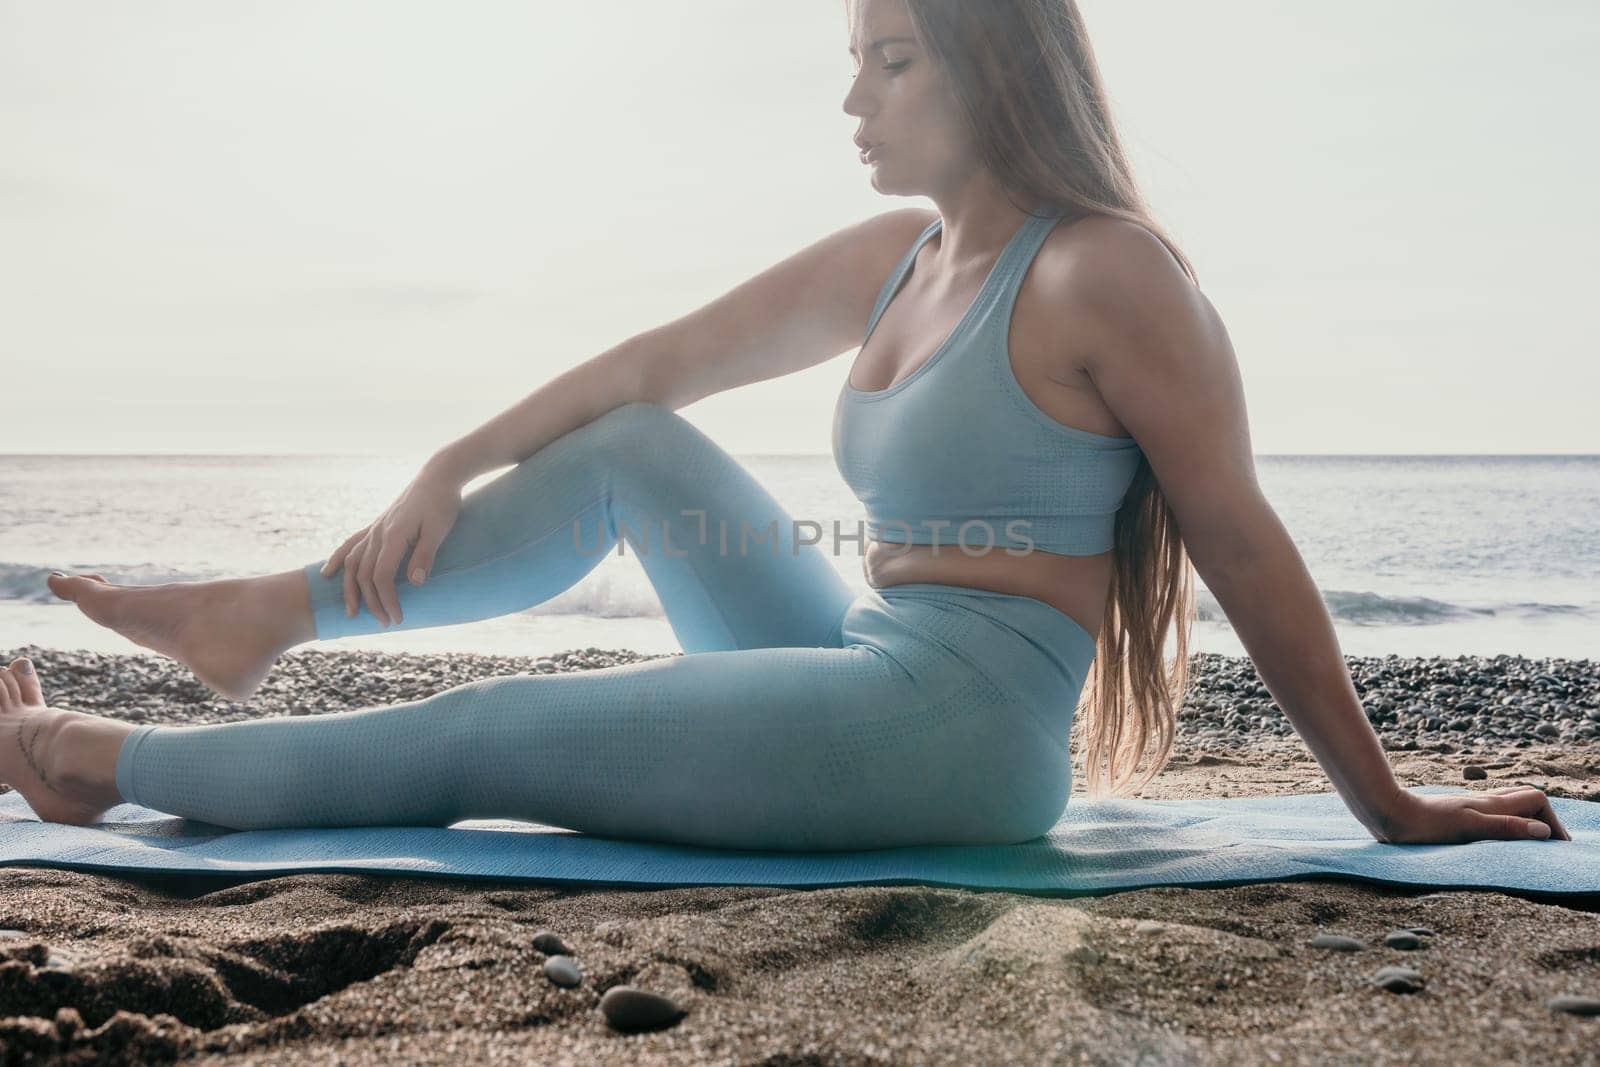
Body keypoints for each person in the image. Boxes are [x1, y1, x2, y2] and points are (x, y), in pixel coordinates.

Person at [3, 0, 1569, 849]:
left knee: (480, 737)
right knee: (625, 452)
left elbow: (1240, 539)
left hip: (953, 731)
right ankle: (266, 617)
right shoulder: (901, 255)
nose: (856, 102)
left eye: (893, 61)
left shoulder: (1110, 276)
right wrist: (441, 463)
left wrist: (1390, 802)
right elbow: (648, 366)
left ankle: (97, 760)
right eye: (854, 62)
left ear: (1001, 67)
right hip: (864, 651)